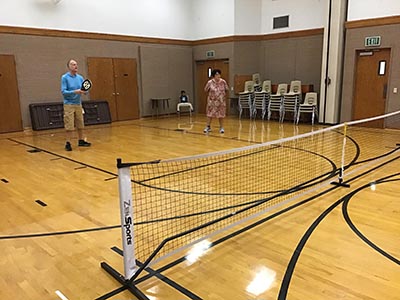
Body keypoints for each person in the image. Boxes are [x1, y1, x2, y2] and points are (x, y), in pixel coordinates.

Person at [61, 59, 91, 151]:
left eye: (76, 64)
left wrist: (84, 92)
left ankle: (81, 140)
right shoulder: (65, 78)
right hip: (69, 104)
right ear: (69, 67)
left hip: (78, 104)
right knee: (69, 125)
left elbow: (84, 90)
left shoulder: (80, 78)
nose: (75, 66)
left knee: (80, 123)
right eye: (73, 64)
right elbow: (64, 92)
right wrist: (75, 91)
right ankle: (68, 143)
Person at [203, 69, 229, 133]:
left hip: (221, 101)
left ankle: (221, 127)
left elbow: (227, 89)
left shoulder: (223, 82)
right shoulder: (210, 82)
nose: (218, 76)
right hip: (212, 102)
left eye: (219, 74)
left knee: (221, 115)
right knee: (210, 114)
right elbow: (205, 89)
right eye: (216, 74)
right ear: (213, 75)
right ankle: (208, 127)